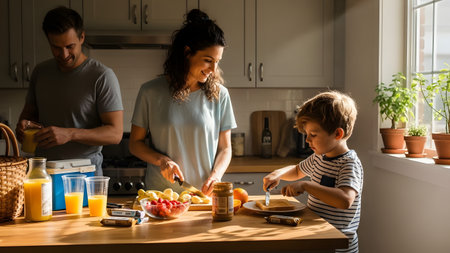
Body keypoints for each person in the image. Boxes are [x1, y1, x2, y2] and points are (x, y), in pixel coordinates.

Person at [129, 9, 236, 196]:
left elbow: (225, 148)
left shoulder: (221, 95)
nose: (213, 68)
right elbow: (135, 143)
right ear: (187, 52)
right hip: (161, 197)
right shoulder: (150, 91)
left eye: (217, 62)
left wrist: (216, 175)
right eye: (207, 60)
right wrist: (162, 161)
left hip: (202, 196)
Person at [15, 7, 123, 176]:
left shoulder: (102, 76)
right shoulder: (40, 72)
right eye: (56, 47)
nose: (64, 54)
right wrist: (23, 126)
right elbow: (28, 116)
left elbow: (115, 134)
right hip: (44, 175)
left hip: (84, 175)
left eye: (69, 46)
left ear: (82, 37)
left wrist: (70, 133)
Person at [263, 91, 363, 253]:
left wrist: (306, 186)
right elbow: (297, 170)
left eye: (313, 135)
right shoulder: (319, 157)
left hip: (337, 245)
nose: (307, 140)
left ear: (338, 134)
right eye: (307, 134)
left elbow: (345, 200)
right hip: (318, 239)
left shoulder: (348, 163)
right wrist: (278, 173)